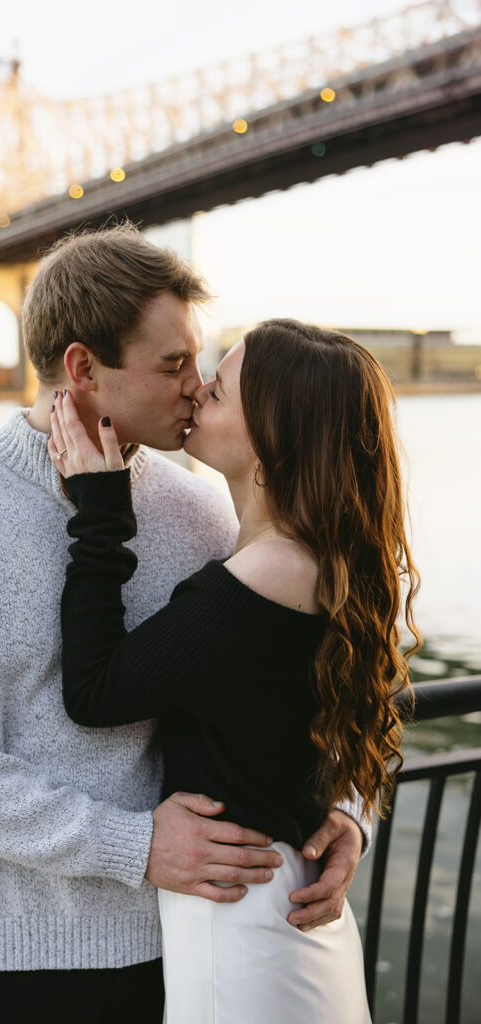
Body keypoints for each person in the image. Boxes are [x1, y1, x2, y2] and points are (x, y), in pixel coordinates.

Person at [0, 226, 369, 1024]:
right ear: (82, 369)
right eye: (172, 365)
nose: (194, 389)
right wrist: (131, 847)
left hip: (193, 939)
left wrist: (339, 810)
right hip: (14, 961)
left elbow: (306, 675)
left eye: (198, 365)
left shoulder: (204, 507)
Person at [47, 318, 420, 1022]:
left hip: (241, 928)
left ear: (271, 436)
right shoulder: (319, 559)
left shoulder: (266, 574)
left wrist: (99, 511)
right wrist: (349, 817)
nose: (193, 394)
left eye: (216, 390)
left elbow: (93, 692)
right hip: (286, 904)